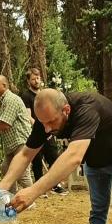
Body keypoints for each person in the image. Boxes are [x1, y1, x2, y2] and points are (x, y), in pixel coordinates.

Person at [0, 89, 112, 224]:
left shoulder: (87, 108)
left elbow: (74, 156)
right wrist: (2, 186)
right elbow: (25, 154)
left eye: (51, 122)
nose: (47, 129)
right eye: (43, 123)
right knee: (98, 211)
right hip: (95, 161)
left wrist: (33, 191)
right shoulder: (46, 119)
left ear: (66, 110)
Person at [0, 75, 33, 192]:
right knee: (6, 170)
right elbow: (6, 126)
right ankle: (11, 197)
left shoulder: (10, 99)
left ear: (4, 85)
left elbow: (5, 124)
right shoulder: (4, 100)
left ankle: (31, 199)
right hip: (12, 144)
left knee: (22, 173)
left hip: (20, 142)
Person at [21, 68, 68, 196]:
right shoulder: (26, 96)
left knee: (53, 155)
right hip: (37, 130)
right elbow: (28, 115)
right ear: (28, 81)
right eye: (33, 79)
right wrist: (41, 126)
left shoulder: (46, 94)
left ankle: (55, 184)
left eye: (38, 78)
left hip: (49, 130)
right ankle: (39, 188)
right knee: (36, 159)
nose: (36, 81)